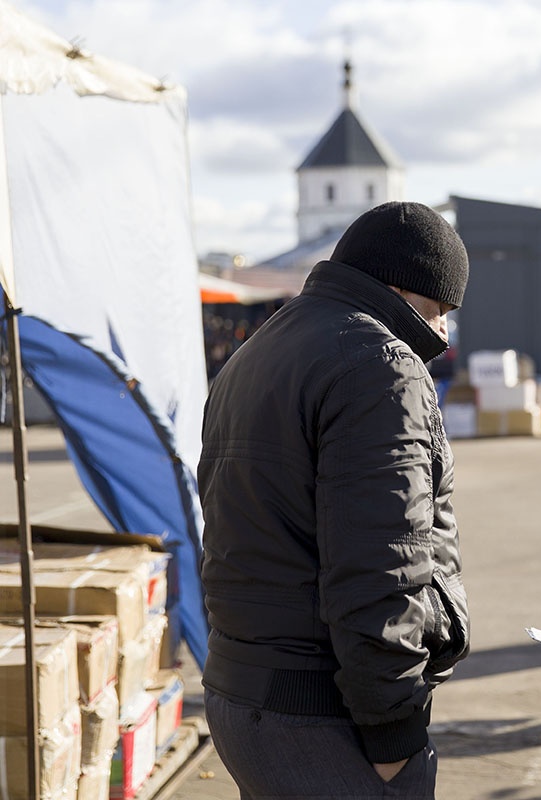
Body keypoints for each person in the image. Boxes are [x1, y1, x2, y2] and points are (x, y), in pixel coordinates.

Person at [198, 202, 471, 798]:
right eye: (438, 310)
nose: (444, 334)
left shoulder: (260, 349)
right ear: (400, 287)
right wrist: (396, 732)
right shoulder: (379, 364)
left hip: (242, 690)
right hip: (323, 713)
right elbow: (380, 567)